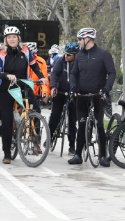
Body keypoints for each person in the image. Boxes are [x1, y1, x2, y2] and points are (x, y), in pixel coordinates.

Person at [0, 26, 48, 164]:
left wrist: (41, 77)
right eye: (9, 37)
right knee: (7, 119)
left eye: (14, 37)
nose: (12, 39)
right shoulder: (1, 52)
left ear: (18, 38)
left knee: (36, 109)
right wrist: (6, 75)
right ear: (6, 39)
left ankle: (35, 138)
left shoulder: (25, 50)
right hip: (6, 88)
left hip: (23, 85)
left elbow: (34, 65)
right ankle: (6, 152)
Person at [68, 28, 116, 166]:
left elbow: (112, 73)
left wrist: (107, 89)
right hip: (82, 95)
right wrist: (73, 87)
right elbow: (74, 74)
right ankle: (78, 155)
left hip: (98, 94)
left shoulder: (103, 54)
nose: (78, 42)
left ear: (87, 39)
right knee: (81, 124)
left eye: (79, 39)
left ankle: (102, 156)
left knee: (99, 125)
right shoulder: (79, 56)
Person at [48, 42, 79, 156]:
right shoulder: (61, 61)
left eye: (69, 54)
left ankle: (72, 146)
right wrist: (54, 87)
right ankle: (50, 138)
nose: (66, 56)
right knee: (55, 116)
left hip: (73, 93)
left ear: (76, 55)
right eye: (65, 53)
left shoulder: (80, 62)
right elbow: (55, 74)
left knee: (72, 120)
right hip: (60, 91)